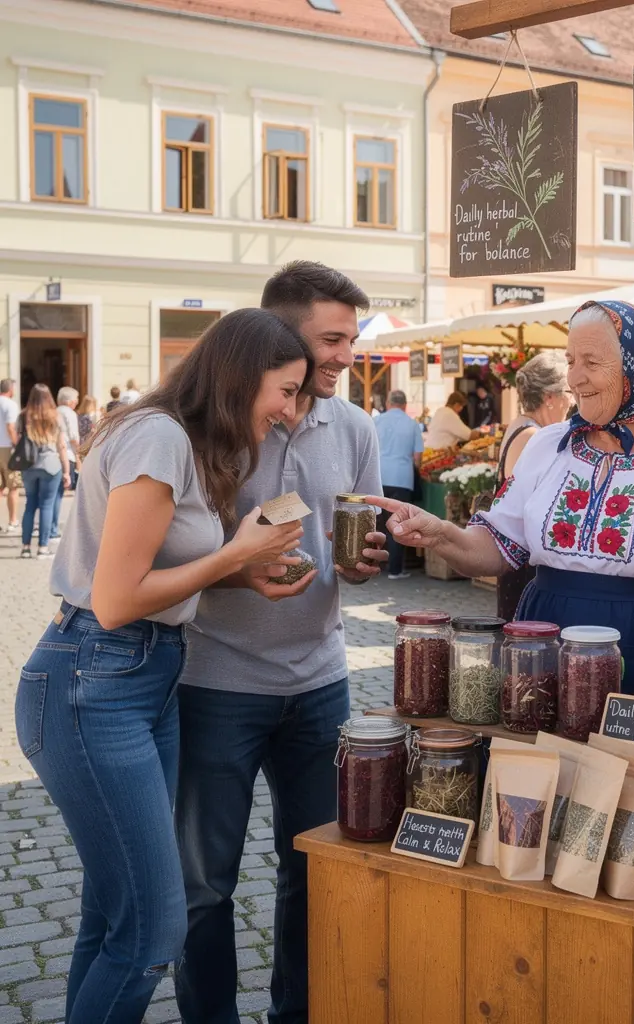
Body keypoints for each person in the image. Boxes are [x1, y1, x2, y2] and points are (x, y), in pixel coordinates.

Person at [15, 309, 309, 1024]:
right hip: (95, 677)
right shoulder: (159, 437)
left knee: (113, 916)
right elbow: (116, 600)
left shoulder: (182, 440)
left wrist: (242, 576)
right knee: (152, 933)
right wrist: (235, 555)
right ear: (244, 374)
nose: (291, 409)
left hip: (140, 675)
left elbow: (155, 574)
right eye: (287, 389)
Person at [371, 300, 634, 725]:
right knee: (543, 784)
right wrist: (439, 534)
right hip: (545, 652)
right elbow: (497, 546)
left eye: (591, 362)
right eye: (570, 360)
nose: (575, 379)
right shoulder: (547, 446)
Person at [173, 262, 388, 1024]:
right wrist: (243, 567)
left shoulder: (356, 426)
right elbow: (171, 567)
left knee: (315, 868)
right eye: (330, 340)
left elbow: (351, 551)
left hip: (320, 680)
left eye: (350, 342)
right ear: (275, 336)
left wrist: (362, 568)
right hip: (215, 682)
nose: (343, 358)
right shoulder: (210, 429)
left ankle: (296, 1013)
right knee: (205, 882)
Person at [496, 351, 571, 620]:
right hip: (523, 556)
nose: (571, 401)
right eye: (567, 391)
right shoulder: (532, 435)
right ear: (549, 397)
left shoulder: (521, 425)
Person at [375, 388, 424, 580]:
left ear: (388, 403)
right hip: (402, 479)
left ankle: (374, 564)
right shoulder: (412, 424)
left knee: (377, 522)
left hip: (378, 476)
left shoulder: (376, 421)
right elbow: (418, 457)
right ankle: (395, 570)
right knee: (398, 523)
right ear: (404, 405)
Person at [17, 385, 71, 559]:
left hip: (29, 465)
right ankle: (43, 548)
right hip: (51, 464)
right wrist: (67, 471)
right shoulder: (56, 416)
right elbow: (61, 445)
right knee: (47, 505)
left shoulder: (24, 415)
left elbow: (18, 441)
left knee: (30, 504)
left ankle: (25, 547)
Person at [52, 387, 81, 540]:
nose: (77, 403)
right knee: (58, 495)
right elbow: (73, 437)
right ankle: (53, 528)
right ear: (70, 401)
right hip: (67, 454)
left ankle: (49, 526)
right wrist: (80, 454)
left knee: (51, 496)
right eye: (76, 399)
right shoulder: (70, 413)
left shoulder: (54, 411)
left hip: (52, 455)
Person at [0, 377, 19, 533]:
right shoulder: (11, 405)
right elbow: (10, 427)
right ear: (10, 389)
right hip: (7, 447)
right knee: (13, 486)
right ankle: (13, 521)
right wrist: (17, 444)